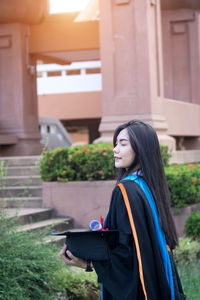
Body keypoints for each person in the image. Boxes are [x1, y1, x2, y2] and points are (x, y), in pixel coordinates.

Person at [59, 120, 180, 300]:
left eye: (123, 144)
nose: (115, 149)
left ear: (141, 149)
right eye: (116, 144)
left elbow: (126, 257)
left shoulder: (126, 191)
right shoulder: (147, 186)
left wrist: (88, 263)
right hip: (158, 279)